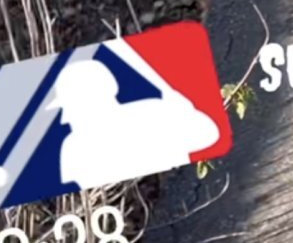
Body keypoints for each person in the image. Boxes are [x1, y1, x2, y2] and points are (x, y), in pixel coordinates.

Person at [44, 59, 219, 188]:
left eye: (73, 107)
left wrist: (184, 113)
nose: (66, 118)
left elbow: (208, 133)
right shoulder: (74, 148)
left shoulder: (151, 112)